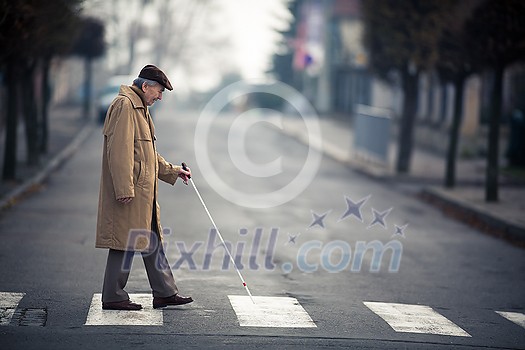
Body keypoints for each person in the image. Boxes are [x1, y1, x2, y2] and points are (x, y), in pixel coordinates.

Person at [96, 64, 193, 310]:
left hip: (143, 193)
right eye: (158, 91)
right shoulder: (125, 106)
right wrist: (124, 189)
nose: (160, 97)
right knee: (124, 242)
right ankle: (114, 296)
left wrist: (173, 170)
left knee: (151, 241)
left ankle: (165, 292)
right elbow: (119, 152)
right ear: (145, 86)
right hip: (131, 192)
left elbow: (147, 155)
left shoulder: (141, 109)